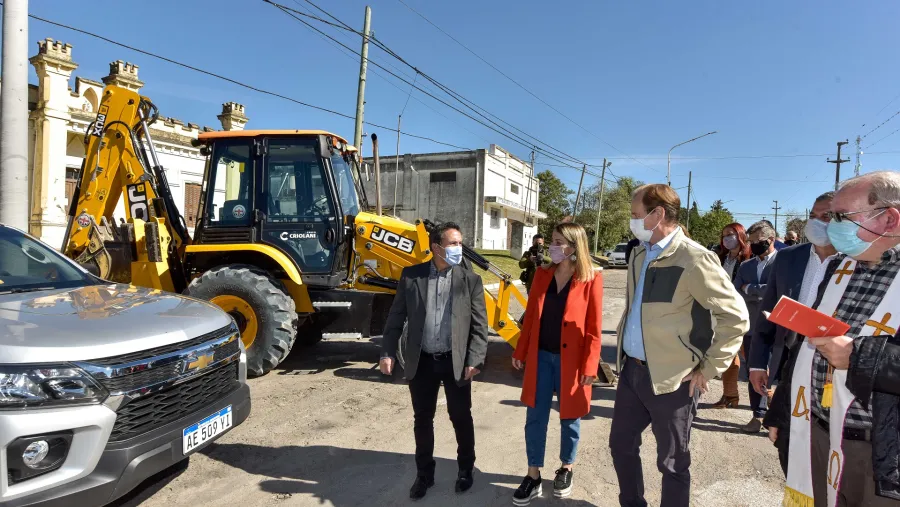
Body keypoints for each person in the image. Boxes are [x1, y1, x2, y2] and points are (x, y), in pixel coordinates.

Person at [610, 184, 749, 507]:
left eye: (635, 215)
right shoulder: (639, 254)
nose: (632, 221)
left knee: (672, 462)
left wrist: (709, 368)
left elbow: (736, 318)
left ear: (657, 214)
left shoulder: (695, 258)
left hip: (674, 380)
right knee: (621, 446)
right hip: (632, 371)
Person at [766, 171, 900, 506]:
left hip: (880, 454)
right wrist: (781, 412)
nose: (832, 227)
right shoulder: (840, 266)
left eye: (842, 217)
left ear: (889, 218)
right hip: (817, 431)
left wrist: (857, 357)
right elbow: (809, 344)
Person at [379, 222, 490, 500]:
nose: (458, 249)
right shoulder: (412, 277)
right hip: (423, 361)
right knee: (422, 419)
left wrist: (475, 359)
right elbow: (396, 317)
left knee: (461, 417)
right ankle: (424, 475)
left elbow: (480, 326)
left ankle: (466, 469)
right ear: (436, 248)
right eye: (453, 244)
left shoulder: (470, 280)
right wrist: (387, 351)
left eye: (460, 243)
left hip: (456, 362)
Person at [510, 223, 603, 505]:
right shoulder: (542, 274)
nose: (552, 246)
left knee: (570, 417)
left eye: (558, 241)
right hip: (540, 357)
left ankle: (566, 467)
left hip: (572, 362)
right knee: (534, 417)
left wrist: (590, 367)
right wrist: (521, 350)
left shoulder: (591, 279)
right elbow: (531, 319)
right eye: (552, 240)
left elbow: (594, 329)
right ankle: (533, 474)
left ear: (574, 247)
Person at [749, 192, 838, 475]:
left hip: (836, 374)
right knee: (789, 451)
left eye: (826, 217)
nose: (816, 222)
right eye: (813, 216)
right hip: (789, 368)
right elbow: (767, 318)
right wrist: (757, 364)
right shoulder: (787, 259)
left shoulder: (857, 262)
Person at [733, 220, 779, 433]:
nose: (753, 245)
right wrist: (762, 291)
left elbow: (779, 293)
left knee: (778, 373)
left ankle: (777, 414)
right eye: (750, 242)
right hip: (753, 328)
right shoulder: (746, 266)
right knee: (755, 370)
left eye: (757, 241)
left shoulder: (783, 262)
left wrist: (750, 287)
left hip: (779, 329)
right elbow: (736, 291)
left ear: (771, 239)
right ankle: (758, 415)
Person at [711, 222, 752, 409]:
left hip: (745, 315)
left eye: (731, 234)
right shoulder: (719, 258)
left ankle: (769, 396)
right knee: (728, 354)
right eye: (724, 234)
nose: (727, 238)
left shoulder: (749, 260)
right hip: (723, 313)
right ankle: (730, 395)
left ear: (741, 236)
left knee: (751, 358)